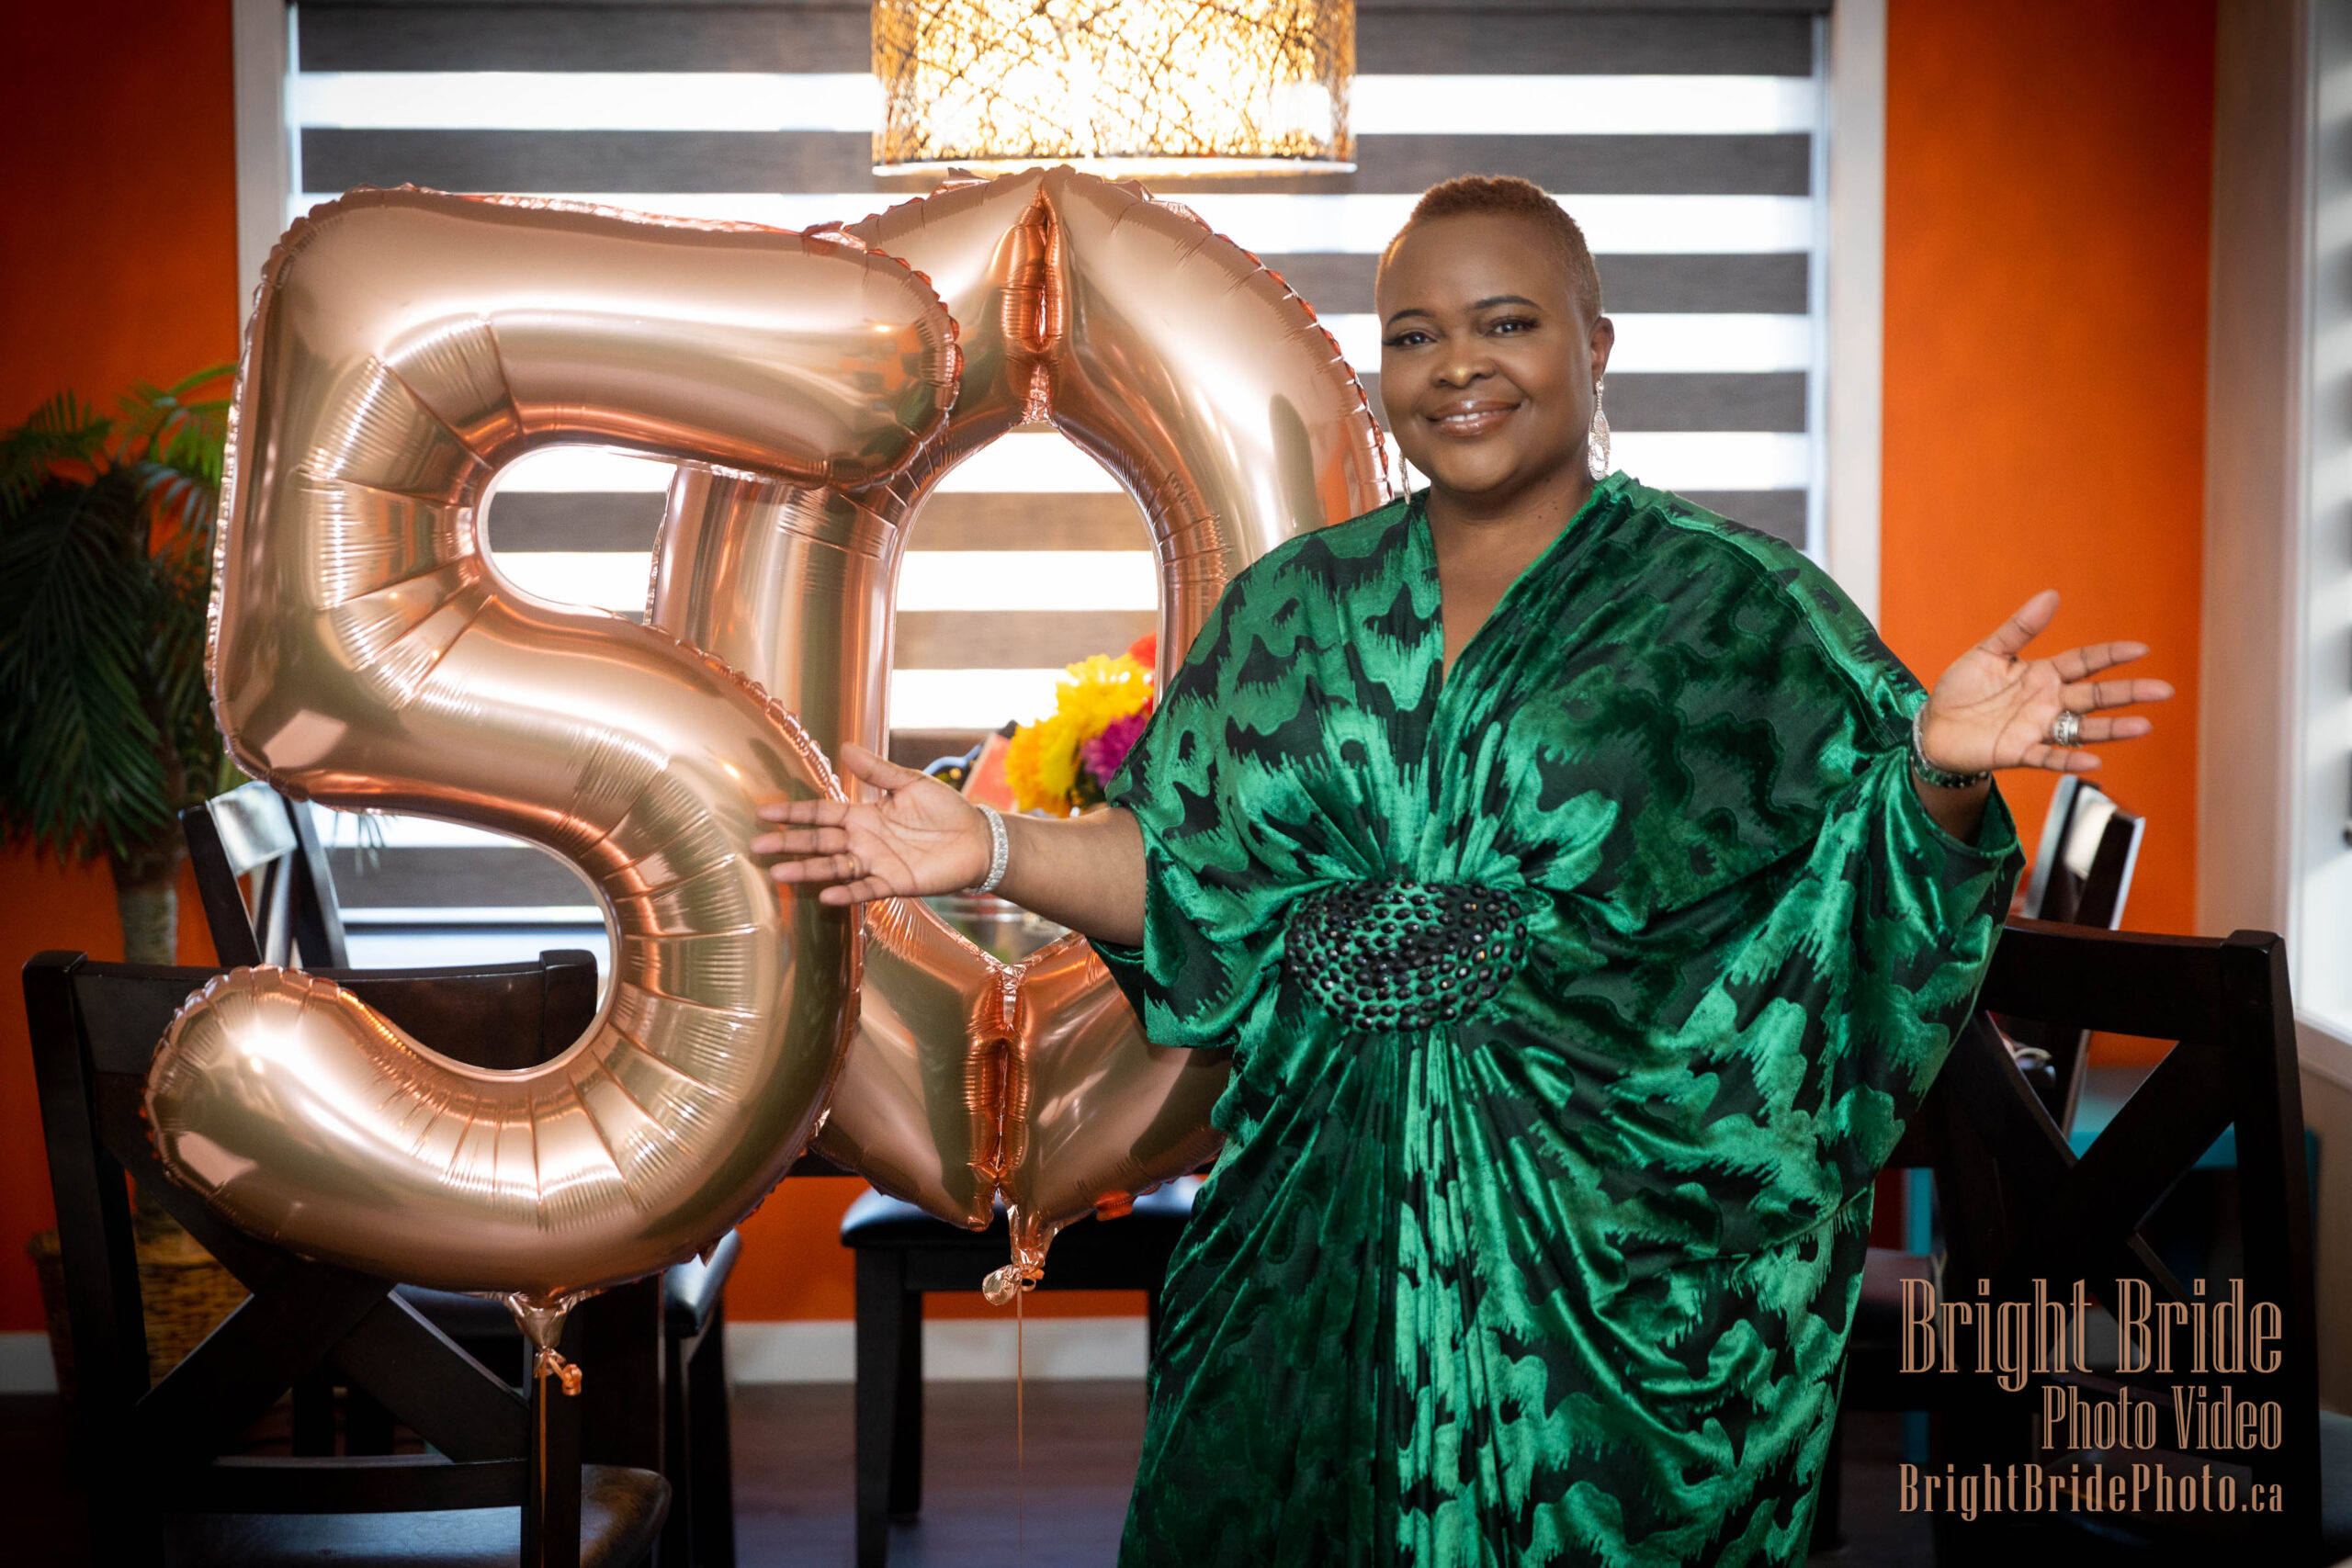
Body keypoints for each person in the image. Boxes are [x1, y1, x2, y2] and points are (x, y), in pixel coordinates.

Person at [753, 176, 2171, 1565]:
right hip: (1305, 1244)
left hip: (1611, 1276)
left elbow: (1864, 877)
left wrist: (1936, 764)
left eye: (1507, 323)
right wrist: (992, 846)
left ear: (1595, 344)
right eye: (1415, 335)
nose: (1457, 367)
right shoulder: (1295, 606)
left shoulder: (1733, 612)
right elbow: (1187, 871)